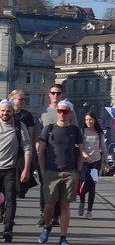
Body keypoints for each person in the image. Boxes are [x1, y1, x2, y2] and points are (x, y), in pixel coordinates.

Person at [37, 99, 83, 245]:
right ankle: (47, 226)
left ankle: (63, 237)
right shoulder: (49, 129)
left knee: (65, 205)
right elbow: (41, 152)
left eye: (65, 111)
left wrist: (78, 171)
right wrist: (43, 171)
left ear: (70, 113)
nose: (62, 114)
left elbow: (81, 153)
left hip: (69, 172)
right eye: (59, 111)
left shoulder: (75, 131)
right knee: (49, 204)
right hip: (51, 171)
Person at [0, 99, 34, 242]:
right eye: (2, 110)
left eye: (8, 110)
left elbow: (27, 147)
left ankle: (8, 230)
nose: (5, 113)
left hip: (11, 169)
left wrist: (26, 169)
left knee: (11, 199)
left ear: (13, 111)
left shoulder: (19, 126)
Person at [38, 84, 68, 230]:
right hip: (45, 152)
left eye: (58, 93)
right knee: (45, 185)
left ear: (62, 95)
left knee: (58, 186)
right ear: (49, 95)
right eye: (53, 93)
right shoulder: (43, 111)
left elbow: (73, 131)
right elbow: (37, 132)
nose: (55, 96)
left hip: (61, 154)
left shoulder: (68, 110)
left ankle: (55, 216)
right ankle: (43, 214)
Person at [8, 90, 38, 198]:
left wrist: (31, 152)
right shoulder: (5, 113)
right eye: (20, 99)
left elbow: (31, 135)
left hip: (21, 152)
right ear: (12, 99)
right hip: (6, 151)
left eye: (24, 99)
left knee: (18, 183)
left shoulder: (27, 115)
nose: (23, 101)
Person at [78, 112, 107, 219]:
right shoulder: (81, 132)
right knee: (84, 184)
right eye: (86, 120)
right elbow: (79, 148)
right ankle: (82, 202)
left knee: (92, 186)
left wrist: (106, 162)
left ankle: (89, 211)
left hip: (96, 162)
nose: (88, 122)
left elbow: (103, 148)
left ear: (94, 120)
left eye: (90, 119)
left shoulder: (99, 133)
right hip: (84, 161)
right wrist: (86, 157)